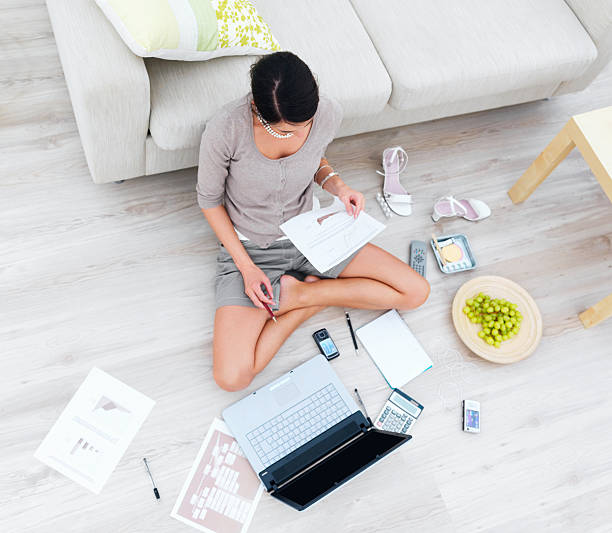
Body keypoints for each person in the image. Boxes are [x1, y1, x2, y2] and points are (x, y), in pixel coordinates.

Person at [197, 51, 429, 391]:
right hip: (252, 249)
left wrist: (337, 184)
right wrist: (246, 268)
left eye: (303, 125)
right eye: (286, 130)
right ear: (256, 110)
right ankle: (313, 296)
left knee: (415, 293)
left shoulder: (327, 112)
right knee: (231, 378)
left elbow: (315, 158)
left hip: (312, 233)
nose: (298, 133)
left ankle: (303, 296)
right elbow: (208, 200)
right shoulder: (225, 128)